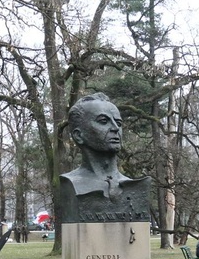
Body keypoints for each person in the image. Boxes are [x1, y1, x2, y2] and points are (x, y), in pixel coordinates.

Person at [59, 93, 150, 223]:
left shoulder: (136, 187)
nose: (115, 128)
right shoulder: (70, 184)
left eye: (118, 122)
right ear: (79, 135)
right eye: (103, 121)